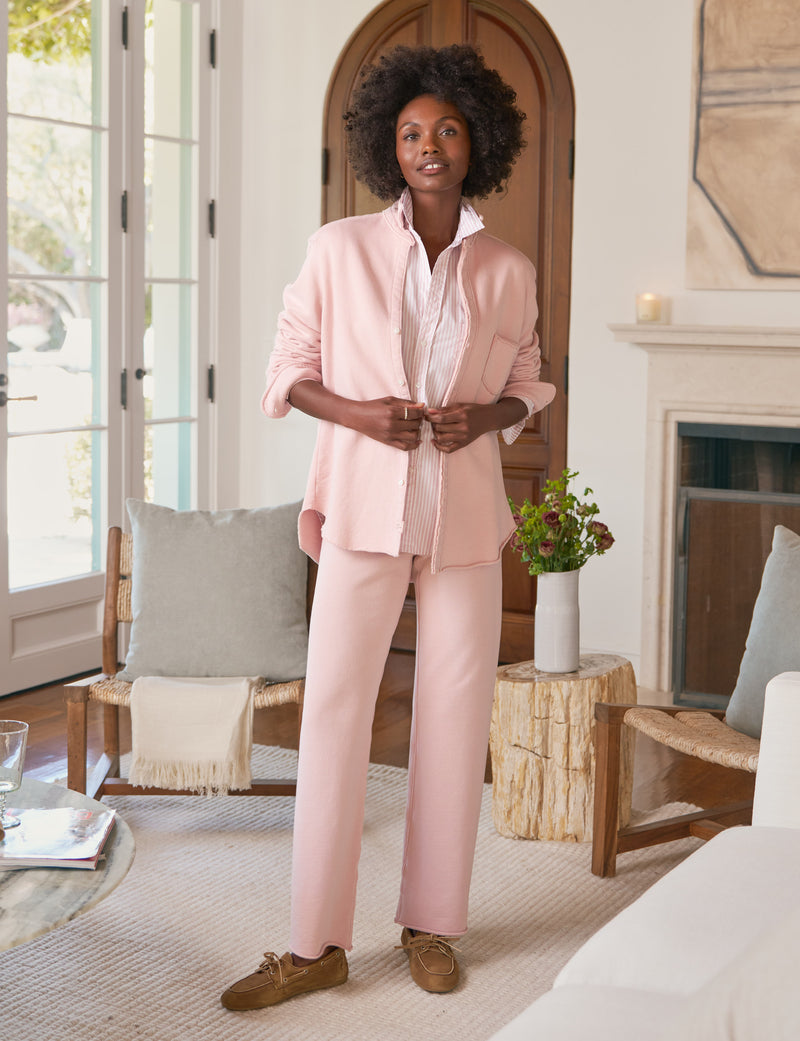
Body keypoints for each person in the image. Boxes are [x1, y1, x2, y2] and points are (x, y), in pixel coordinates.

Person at [221, 42, 555, 1011]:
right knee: (332, 713)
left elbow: (529, 379)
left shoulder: (506, 268)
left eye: (445, 129)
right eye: (409, 133)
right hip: (363, 509)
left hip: (462, 522)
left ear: (475, 139)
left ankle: (430, 925)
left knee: (453, 721)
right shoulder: (337, 250)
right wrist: (360, 414)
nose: (428, 147)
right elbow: (285, 368)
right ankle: (313, 943)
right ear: (387, 147)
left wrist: (487, 417)